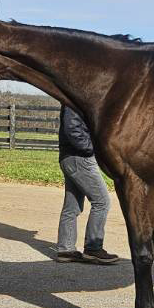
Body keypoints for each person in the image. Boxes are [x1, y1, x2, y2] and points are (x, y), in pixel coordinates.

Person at [55, 105, 118, 264]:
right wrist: (91, 149)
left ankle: (65, 250)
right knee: (102, 202)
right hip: (80, 158)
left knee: (72, 207)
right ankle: (93, 248)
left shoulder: (71, 101)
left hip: (70, 157)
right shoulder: (73, 102)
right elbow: (72, 129)